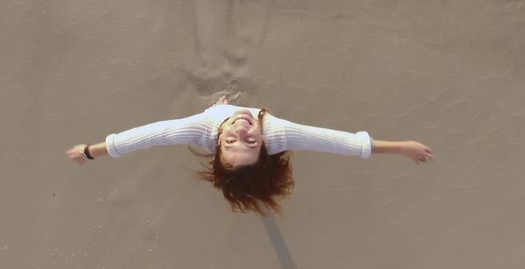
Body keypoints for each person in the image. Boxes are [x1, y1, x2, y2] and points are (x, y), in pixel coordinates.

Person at [65, 95, 434, 215]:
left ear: (216, 143)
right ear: (265, 148)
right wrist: (403, 147)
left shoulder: (200, 129)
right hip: (258, 119)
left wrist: (90, 151)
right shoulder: (274, 133)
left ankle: (221, 104)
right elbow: (343, 143)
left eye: (233, 142)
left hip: (218, 108)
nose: (242, 130)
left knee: (222, 105)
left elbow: (141, 138)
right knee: (251, 187)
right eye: (250, 143)